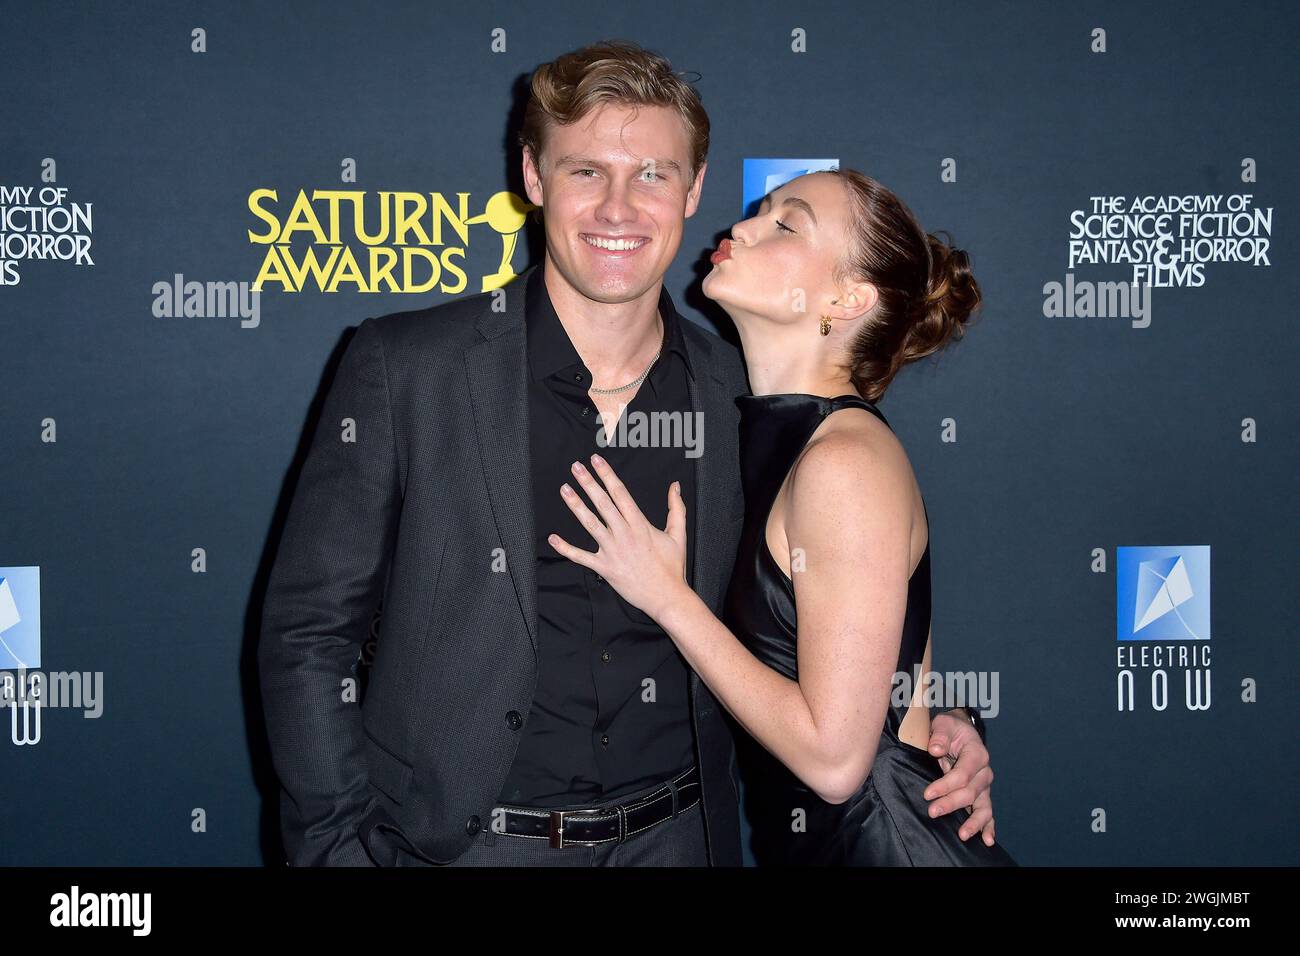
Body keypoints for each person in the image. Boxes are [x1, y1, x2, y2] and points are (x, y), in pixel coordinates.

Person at [258, 39, 997, 867]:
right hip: (463, 851)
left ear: (693, 191)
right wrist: (334, 853)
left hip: (680, 842)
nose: (618, 208)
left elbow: (837, 616)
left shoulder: (743, 404)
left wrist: (931, 726)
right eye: (585, 172)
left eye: (651, 173)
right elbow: (307, 637)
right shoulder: (407, 369)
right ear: (534, 180)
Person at [546, 167, 1015, 864]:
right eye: (760, 211)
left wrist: (668, 598)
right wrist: (951, 722)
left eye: (786, 224)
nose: (741, 228)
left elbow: (834, 762)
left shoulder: (844, 462)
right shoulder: (784, 438)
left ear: (848, 297)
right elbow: (885, 670)